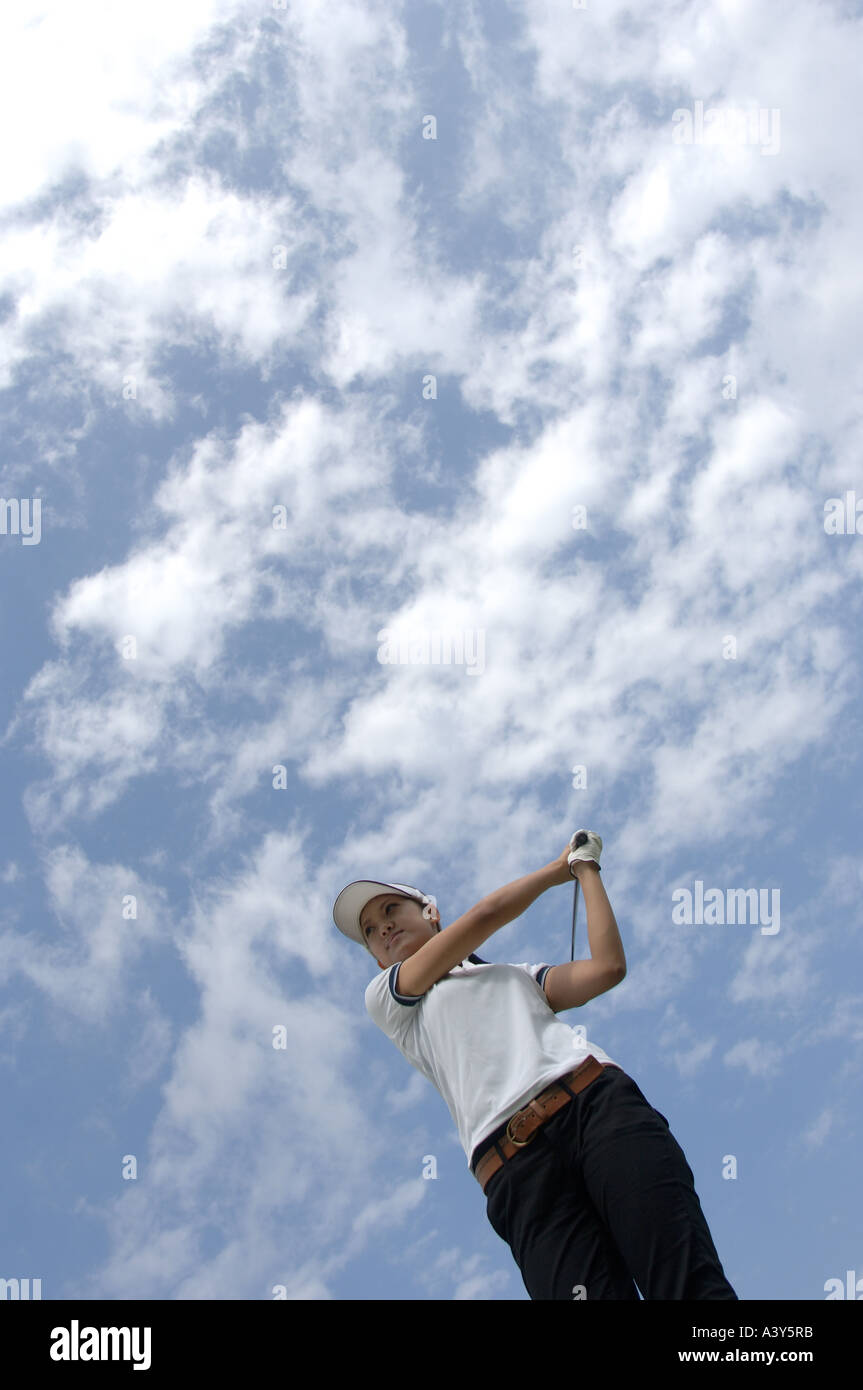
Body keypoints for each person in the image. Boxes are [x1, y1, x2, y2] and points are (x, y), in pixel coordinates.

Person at [332, 830, 738, 1301]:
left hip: (599, 1110)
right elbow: (485, 916)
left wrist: (586, 870)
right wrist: (555, 869)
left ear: (431, 913)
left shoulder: (519, 977)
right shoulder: (388, 1000)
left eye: (390, 910)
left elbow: (607, 967)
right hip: (517, 1170)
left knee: (689, 1286)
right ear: (377, 959)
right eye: (369, 931)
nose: (381, 928)